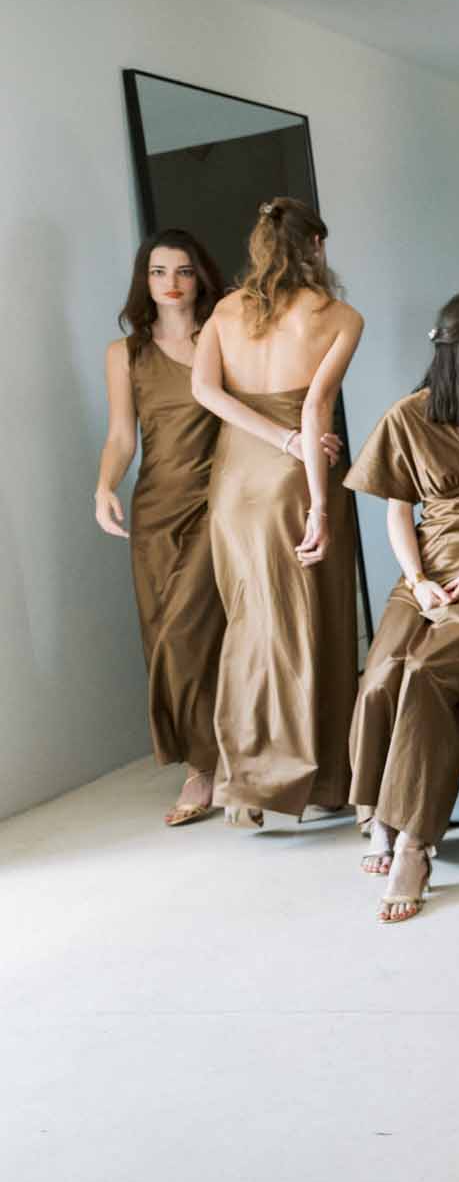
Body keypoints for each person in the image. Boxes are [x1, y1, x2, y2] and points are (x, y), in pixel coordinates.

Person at [346, 292, 459, 922]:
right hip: (423, 577)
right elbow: (397, 508)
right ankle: (376, 814)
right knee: (383, 675)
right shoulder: (410, 416)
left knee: (426, 673)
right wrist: (417, 580)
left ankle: (413, 843)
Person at [189, 197, 362, 826]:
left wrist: (273, 437)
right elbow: (315, 412)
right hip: (299, 474)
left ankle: (250, 787)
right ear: (315, 245)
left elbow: (205, 391)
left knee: (252, 624)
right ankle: (320, 781)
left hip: (236, 477)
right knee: (311, 624)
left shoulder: (226, 312)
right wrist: (318, 501)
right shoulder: (339, 315)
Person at [94, 230, 233, 826]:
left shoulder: (223, 336)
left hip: (220, 504)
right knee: (165, 645)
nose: (170, 284)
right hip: (156, 511)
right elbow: (123, 436)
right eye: (157, 272)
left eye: (182, 271)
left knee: (192, 633)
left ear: (201, 276)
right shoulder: (124, 354)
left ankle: (218, 766)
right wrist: (103, 486)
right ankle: (204, 768)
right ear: (143, 280)